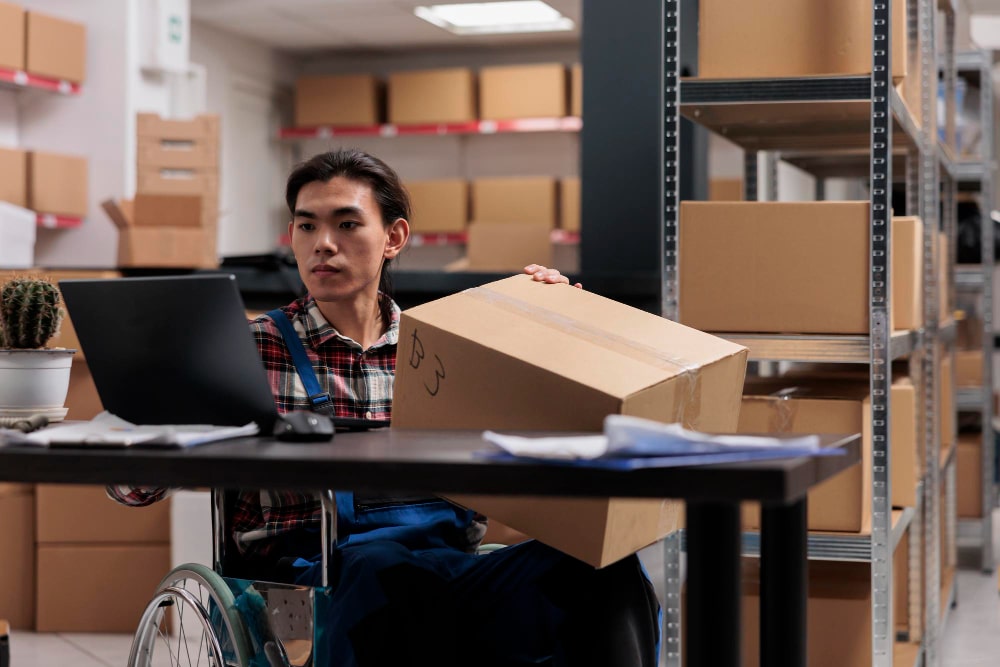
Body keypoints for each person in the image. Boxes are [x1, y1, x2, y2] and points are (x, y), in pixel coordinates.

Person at [109, 149, 659, 667]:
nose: (323, 243)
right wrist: (166, 388)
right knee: (380, 568)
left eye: (347, 224)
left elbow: (557, 430)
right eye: (307, 226)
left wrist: (548, 324)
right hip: (315, 578)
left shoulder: (453, 350)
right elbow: (133, 490)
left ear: (393, 237)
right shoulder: (248, 351)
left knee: (605, 570)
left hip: (448, 567)